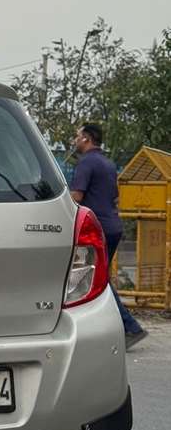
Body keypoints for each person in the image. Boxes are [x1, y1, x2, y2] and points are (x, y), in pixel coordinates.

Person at [70, 124, 147, 350]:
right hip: (114, 225)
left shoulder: (86, 163)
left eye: (77, 136)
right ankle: (116, 326)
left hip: (98, 228)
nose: (75, 140)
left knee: (98, 279)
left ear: (85, 139)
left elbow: (76, 196)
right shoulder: (108, 163)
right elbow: (113, 196)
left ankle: (130, 327)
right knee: (98, 278)